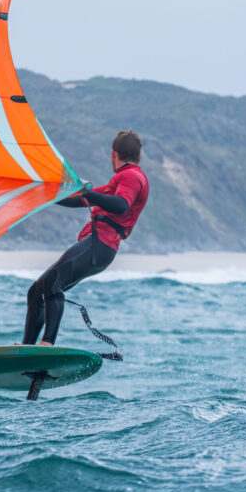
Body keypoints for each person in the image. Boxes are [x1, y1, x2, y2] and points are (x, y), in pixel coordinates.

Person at [21, 130, 150, 346]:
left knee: (53, 281)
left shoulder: (131, 176)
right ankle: (27, 349)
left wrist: (88, 193)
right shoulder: (120, 181)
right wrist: (43, 193)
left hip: (101, 244)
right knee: (36, 291)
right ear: (138, 155)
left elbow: (121, 205)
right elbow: (78, 199)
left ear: (113, 154)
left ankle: (47, 343)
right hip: (99, 246)